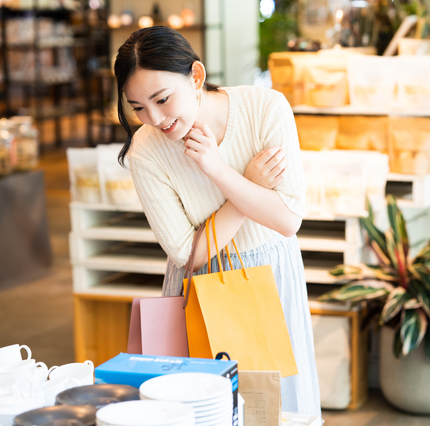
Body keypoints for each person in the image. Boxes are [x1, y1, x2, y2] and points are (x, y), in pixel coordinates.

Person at [114, 26, 321, 416]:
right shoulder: (145, 150)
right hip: (201, 288)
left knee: (275, 412)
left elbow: (287, 219)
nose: (154, 118)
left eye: (162, 99)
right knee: (205, 412)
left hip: (271, 275)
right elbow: (186, 254)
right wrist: (248, 190)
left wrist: (216, 168)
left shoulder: (265, 109)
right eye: (138, 107)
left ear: (196, 76)